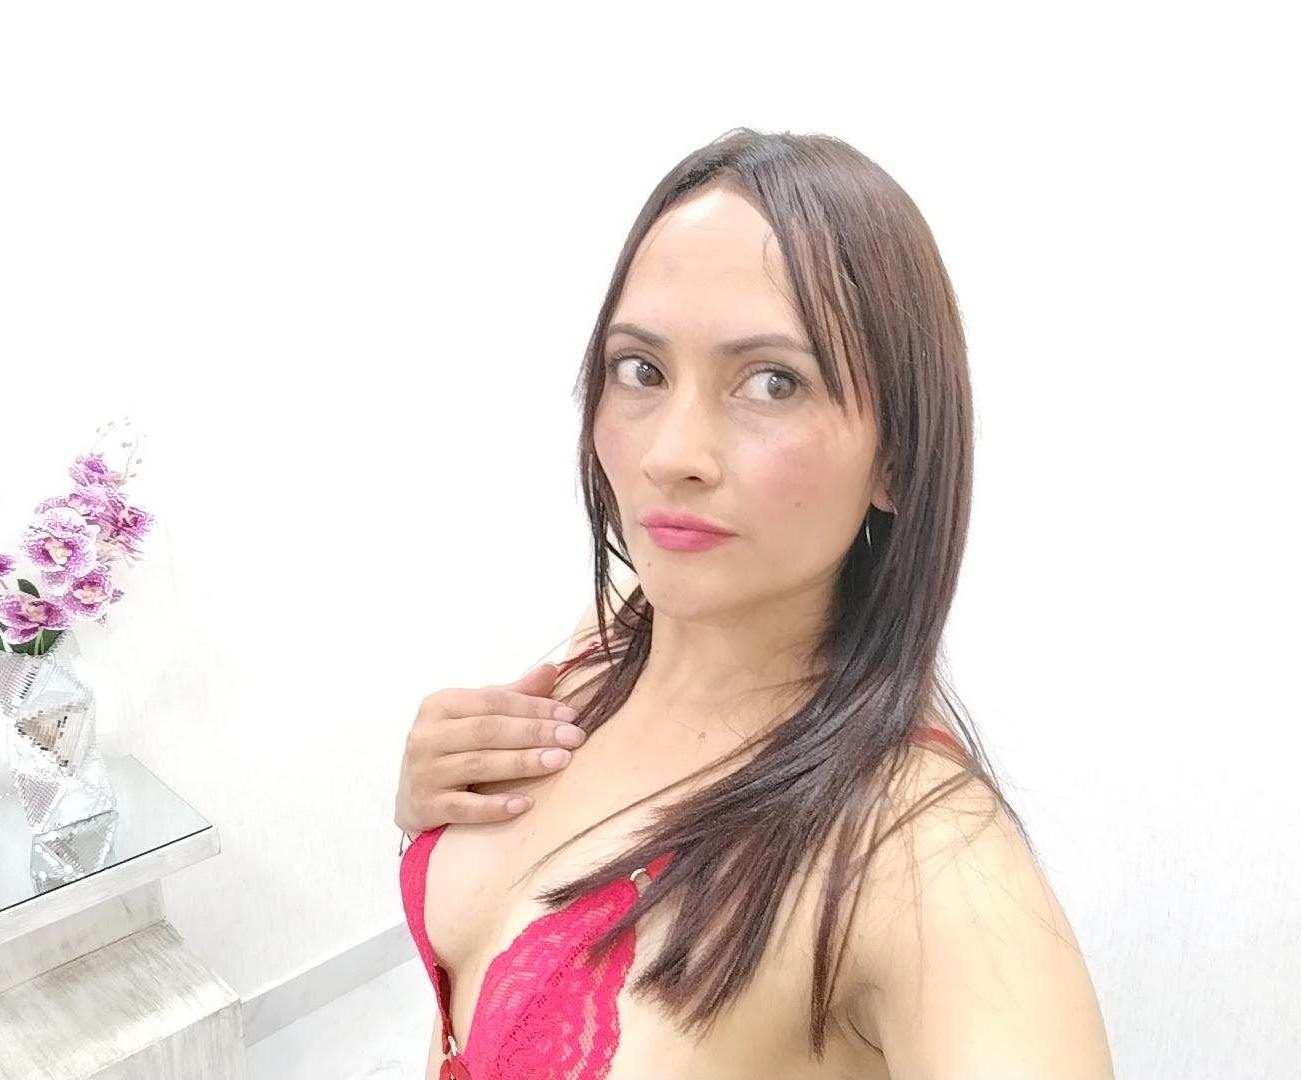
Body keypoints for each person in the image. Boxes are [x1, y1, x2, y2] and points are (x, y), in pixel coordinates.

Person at [396, 127, 1114, 1080]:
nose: (670, 455)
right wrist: (430, 807)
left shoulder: (924, 862)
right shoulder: (607, 642)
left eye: (772, 383)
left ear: (898, 458)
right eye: (641, 369)